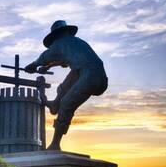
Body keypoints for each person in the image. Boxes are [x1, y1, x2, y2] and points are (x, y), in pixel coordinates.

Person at [25, 20, 108, 151]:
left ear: (55, 35)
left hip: (89, 75)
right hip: (97, 75)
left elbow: (46, 55)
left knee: (66, 104)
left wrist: (34, 64)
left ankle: (55, 144)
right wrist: (47, 67)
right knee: (64, 86)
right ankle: (54, 104)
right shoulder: (77, 42)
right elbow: (64, 59)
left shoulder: (60, 43)